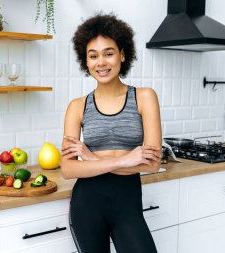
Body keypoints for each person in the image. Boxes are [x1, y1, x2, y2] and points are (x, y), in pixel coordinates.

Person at [61, 13, 162, 253]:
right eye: (93, 56)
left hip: (127, 204)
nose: (101, 62)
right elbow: (68, 169)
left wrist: (92, 158)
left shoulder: (144, 97)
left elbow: (152, 164)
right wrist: (126, 159)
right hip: (86, 205)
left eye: (108, 53)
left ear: (122, 55)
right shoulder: (77, 107)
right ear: (86, 61)